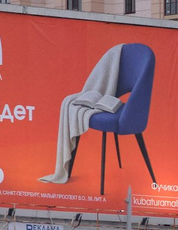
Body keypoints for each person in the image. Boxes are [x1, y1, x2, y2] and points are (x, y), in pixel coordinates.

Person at [41, 45, 128, 183]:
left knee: (77, 108)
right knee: (69, 102)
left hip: (129, 111)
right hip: (100, 100)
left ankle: (101, 188)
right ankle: (67, 170)